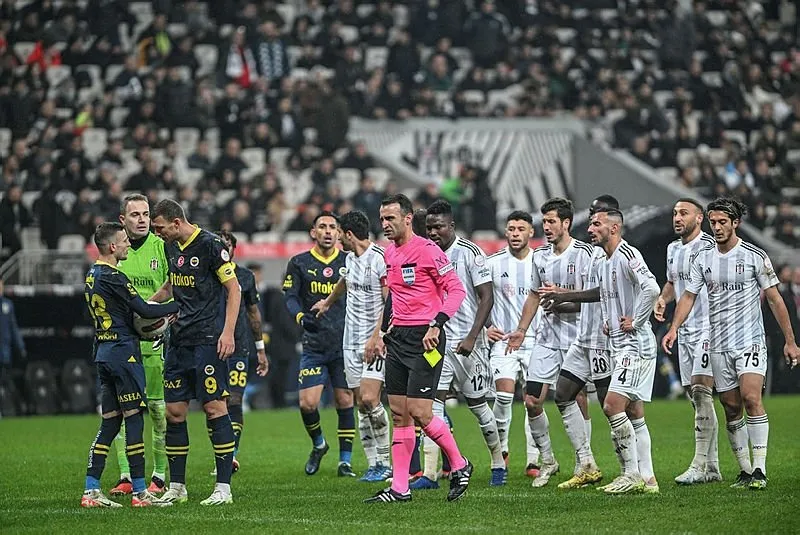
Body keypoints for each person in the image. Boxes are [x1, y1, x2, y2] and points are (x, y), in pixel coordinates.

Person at [663, 198, 800, 490]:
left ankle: (760, 470)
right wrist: (674, 327)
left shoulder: (753, 255)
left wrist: (790, 341)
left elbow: (775, 299)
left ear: (735, 223)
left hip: (749, 340)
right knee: (730, 406)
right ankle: (745, 470)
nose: (717, 227)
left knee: (751, 398)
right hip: (719, 344)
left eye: (723, 222)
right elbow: (688, 296)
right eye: (713, 222)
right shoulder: (704, 258)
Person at [545, 206, 661, 494]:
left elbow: (652, 288)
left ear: (614, 227)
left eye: (597, 224)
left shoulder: (627, 255)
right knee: (630, 409)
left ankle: (630, 474)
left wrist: (636, 318)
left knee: (611, 406)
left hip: (636, 346)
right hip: (619, 344)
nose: (591, 228)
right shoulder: (606, 260)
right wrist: (612, 322)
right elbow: (609, 297)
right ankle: (647, 479)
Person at [365, 194, 472, 503]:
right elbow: (393, 298)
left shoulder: (428, 251)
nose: (385, 224)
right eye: (382, 219)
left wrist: (436, 324)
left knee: (422, 412)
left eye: (391, 219)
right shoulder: (389, 254)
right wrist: (383, 333)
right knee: (399, 414)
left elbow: (456, 289)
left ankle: (460, 465)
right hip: (398, 339)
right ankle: (400, 488)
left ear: (408, 219)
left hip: (427, 339)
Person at [149, 199, 241, 506]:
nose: (156, 233)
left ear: (176, 223)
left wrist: (227, 332)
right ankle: (177, 487)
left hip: (207, 341)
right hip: (179, 341)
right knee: (174, 412)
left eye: (159, 227)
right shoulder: (170, 247)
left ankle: (223, 488)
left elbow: (234, 289)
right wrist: (145, 307)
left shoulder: (211, 245)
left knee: (215, 408)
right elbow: (171, 286)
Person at [81, 222, 178, 508]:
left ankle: (91, 491)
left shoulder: (92, 274)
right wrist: (179, 305)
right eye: (123, 241)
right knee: (134, 419)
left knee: (109, 423)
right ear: (112, 246)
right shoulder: (115, 276)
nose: (127, 245)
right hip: (125, 356)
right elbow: (146, 311)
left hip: (103, 353)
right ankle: (140, 492)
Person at [414, 199, 505, 490]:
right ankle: (431, 473)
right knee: (431, 406)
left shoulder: (470, 253)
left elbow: (486, 298)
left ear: (451, 226)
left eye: (438, 227)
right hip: (435, 343)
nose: (433, 233)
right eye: (429, 228)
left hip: (469, 343)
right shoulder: (424, 253)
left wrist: (472, 336)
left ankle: (497, 462)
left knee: (478, 406)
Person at [505, 198, 595, 488]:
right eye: (544, 222)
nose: (546, 227)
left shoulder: (585, 254)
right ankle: (548, 461)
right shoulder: (540, 256)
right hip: (546, 338)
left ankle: (585, 461)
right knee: (531, 400)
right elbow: (534, 295)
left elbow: (595, 297)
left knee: (577, 399)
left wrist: (563, 299)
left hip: (578, 339)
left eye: (551, 221)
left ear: (566, 223)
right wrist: (521, 329)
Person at [312, 210, 392, 482]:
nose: (334, 237)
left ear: (347, 234)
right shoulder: (349, 258)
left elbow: (389, 300)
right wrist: (327, 302)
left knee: (371, 399)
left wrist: (378, 335)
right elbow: (344, 282)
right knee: (362, 405)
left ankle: (385, 461)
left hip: (375, 341)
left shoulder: (380, 259)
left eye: (337, 232)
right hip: (350, 342)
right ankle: (372, 465)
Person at [282, 211, 356, 477]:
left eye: (332, 227)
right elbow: (290, 297)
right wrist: (301, 317)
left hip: (344, 343)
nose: (327, 231)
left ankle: (345, 461)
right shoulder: (299, 263)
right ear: (313, 232)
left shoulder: (350, 261)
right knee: (308, 403)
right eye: (322, 227)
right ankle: (319, 444)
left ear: (339, 233)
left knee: (344, 400)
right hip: (313, 344)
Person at [653, 198, 721, 485]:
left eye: (684, 213)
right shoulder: (672, 249)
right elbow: (673, 282)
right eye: (674, 213)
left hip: (708, 328)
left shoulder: (710, 247)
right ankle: (713, 467)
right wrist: (662, 298)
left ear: (699, 218)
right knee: (697, 399)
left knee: (702, 392)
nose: (677, 218)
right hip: (685, 331)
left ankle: (698, 464)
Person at [108, 194, 170, 497]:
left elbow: (174, 288)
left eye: (146, 213)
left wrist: (152, 309)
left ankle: (159, 474)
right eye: (135, 214)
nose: (142, 219)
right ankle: (126, 475)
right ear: (123, 220)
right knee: (124, 410)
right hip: (123, 342)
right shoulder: (115, 251)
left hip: (155, 342)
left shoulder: (162, 247)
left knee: (158, 410)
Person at [485, 211, 541, 477]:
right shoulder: (493, 263)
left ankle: (533, 459)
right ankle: (502, 452)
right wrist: (486, 327)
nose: (516, 233)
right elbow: (478, 298)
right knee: (504, 397)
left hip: (537, 343)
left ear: (531, 232)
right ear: (505, 232)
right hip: (504, 341)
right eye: (511, 228)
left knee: (532, 402)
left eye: (521, 228)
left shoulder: (541, 262)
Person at [216, 231, 270, 474]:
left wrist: (260, 349)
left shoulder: (245, 277)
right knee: (217, 403)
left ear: (234, 249)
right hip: (209, 346)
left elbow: (253, 313)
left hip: (239, 346)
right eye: (220, 245)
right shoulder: (206, 274)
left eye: (228, 245)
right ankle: (221, 450)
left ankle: (231, 455)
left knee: (235, 399)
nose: (224, 249)